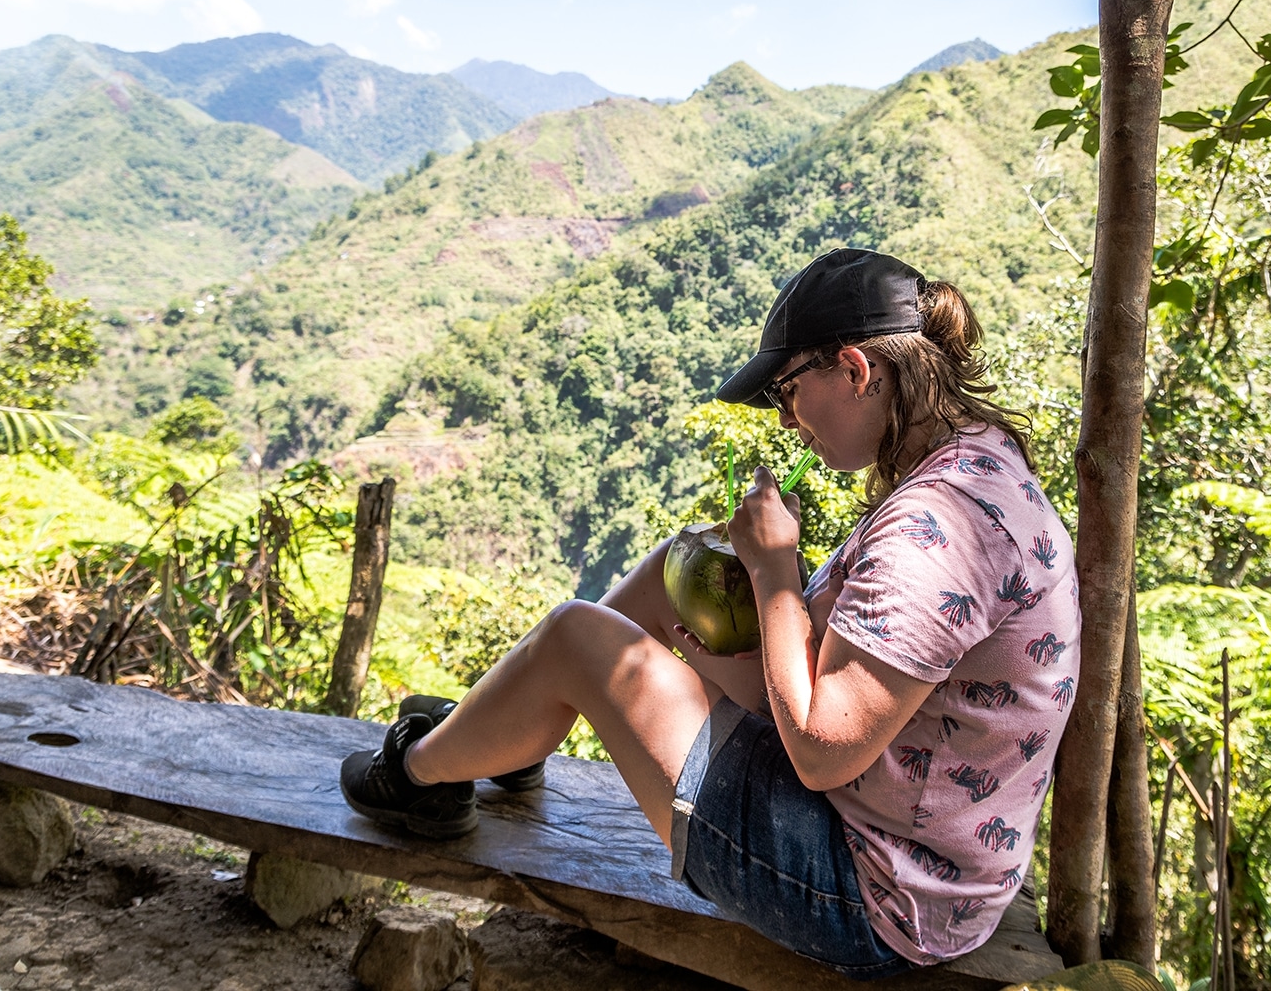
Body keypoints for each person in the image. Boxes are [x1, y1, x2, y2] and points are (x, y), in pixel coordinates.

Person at [339, 248, 1081, 977]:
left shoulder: (933, 528)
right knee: (680, 567)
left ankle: (417, 776)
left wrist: (775, 570)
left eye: (790, 391)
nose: (789, 422)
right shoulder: (974, 459)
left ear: (856, 370)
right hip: (909, 842)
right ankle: (513, 730)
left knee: (578, 636)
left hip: (869, 891)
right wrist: (741, 606)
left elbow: (824, 753)